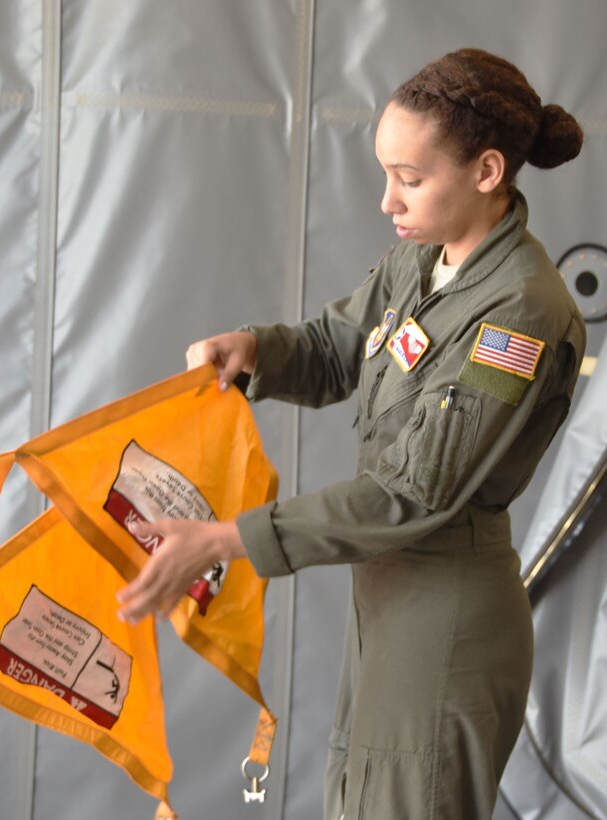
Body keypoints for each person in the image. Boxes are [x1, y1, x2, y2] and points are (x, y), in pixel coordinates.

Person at [117, 48, 585, 819]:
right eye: (386, 174)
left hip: (447, 614)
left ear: (488, 171)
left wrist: (231, 539)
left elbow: (412, 493)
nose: (387, 201)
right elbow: (337, 348)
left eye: (410, 177)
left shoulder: (520, 312)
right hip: (388, 599)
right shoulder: (421, 261)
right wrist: (257, 349)